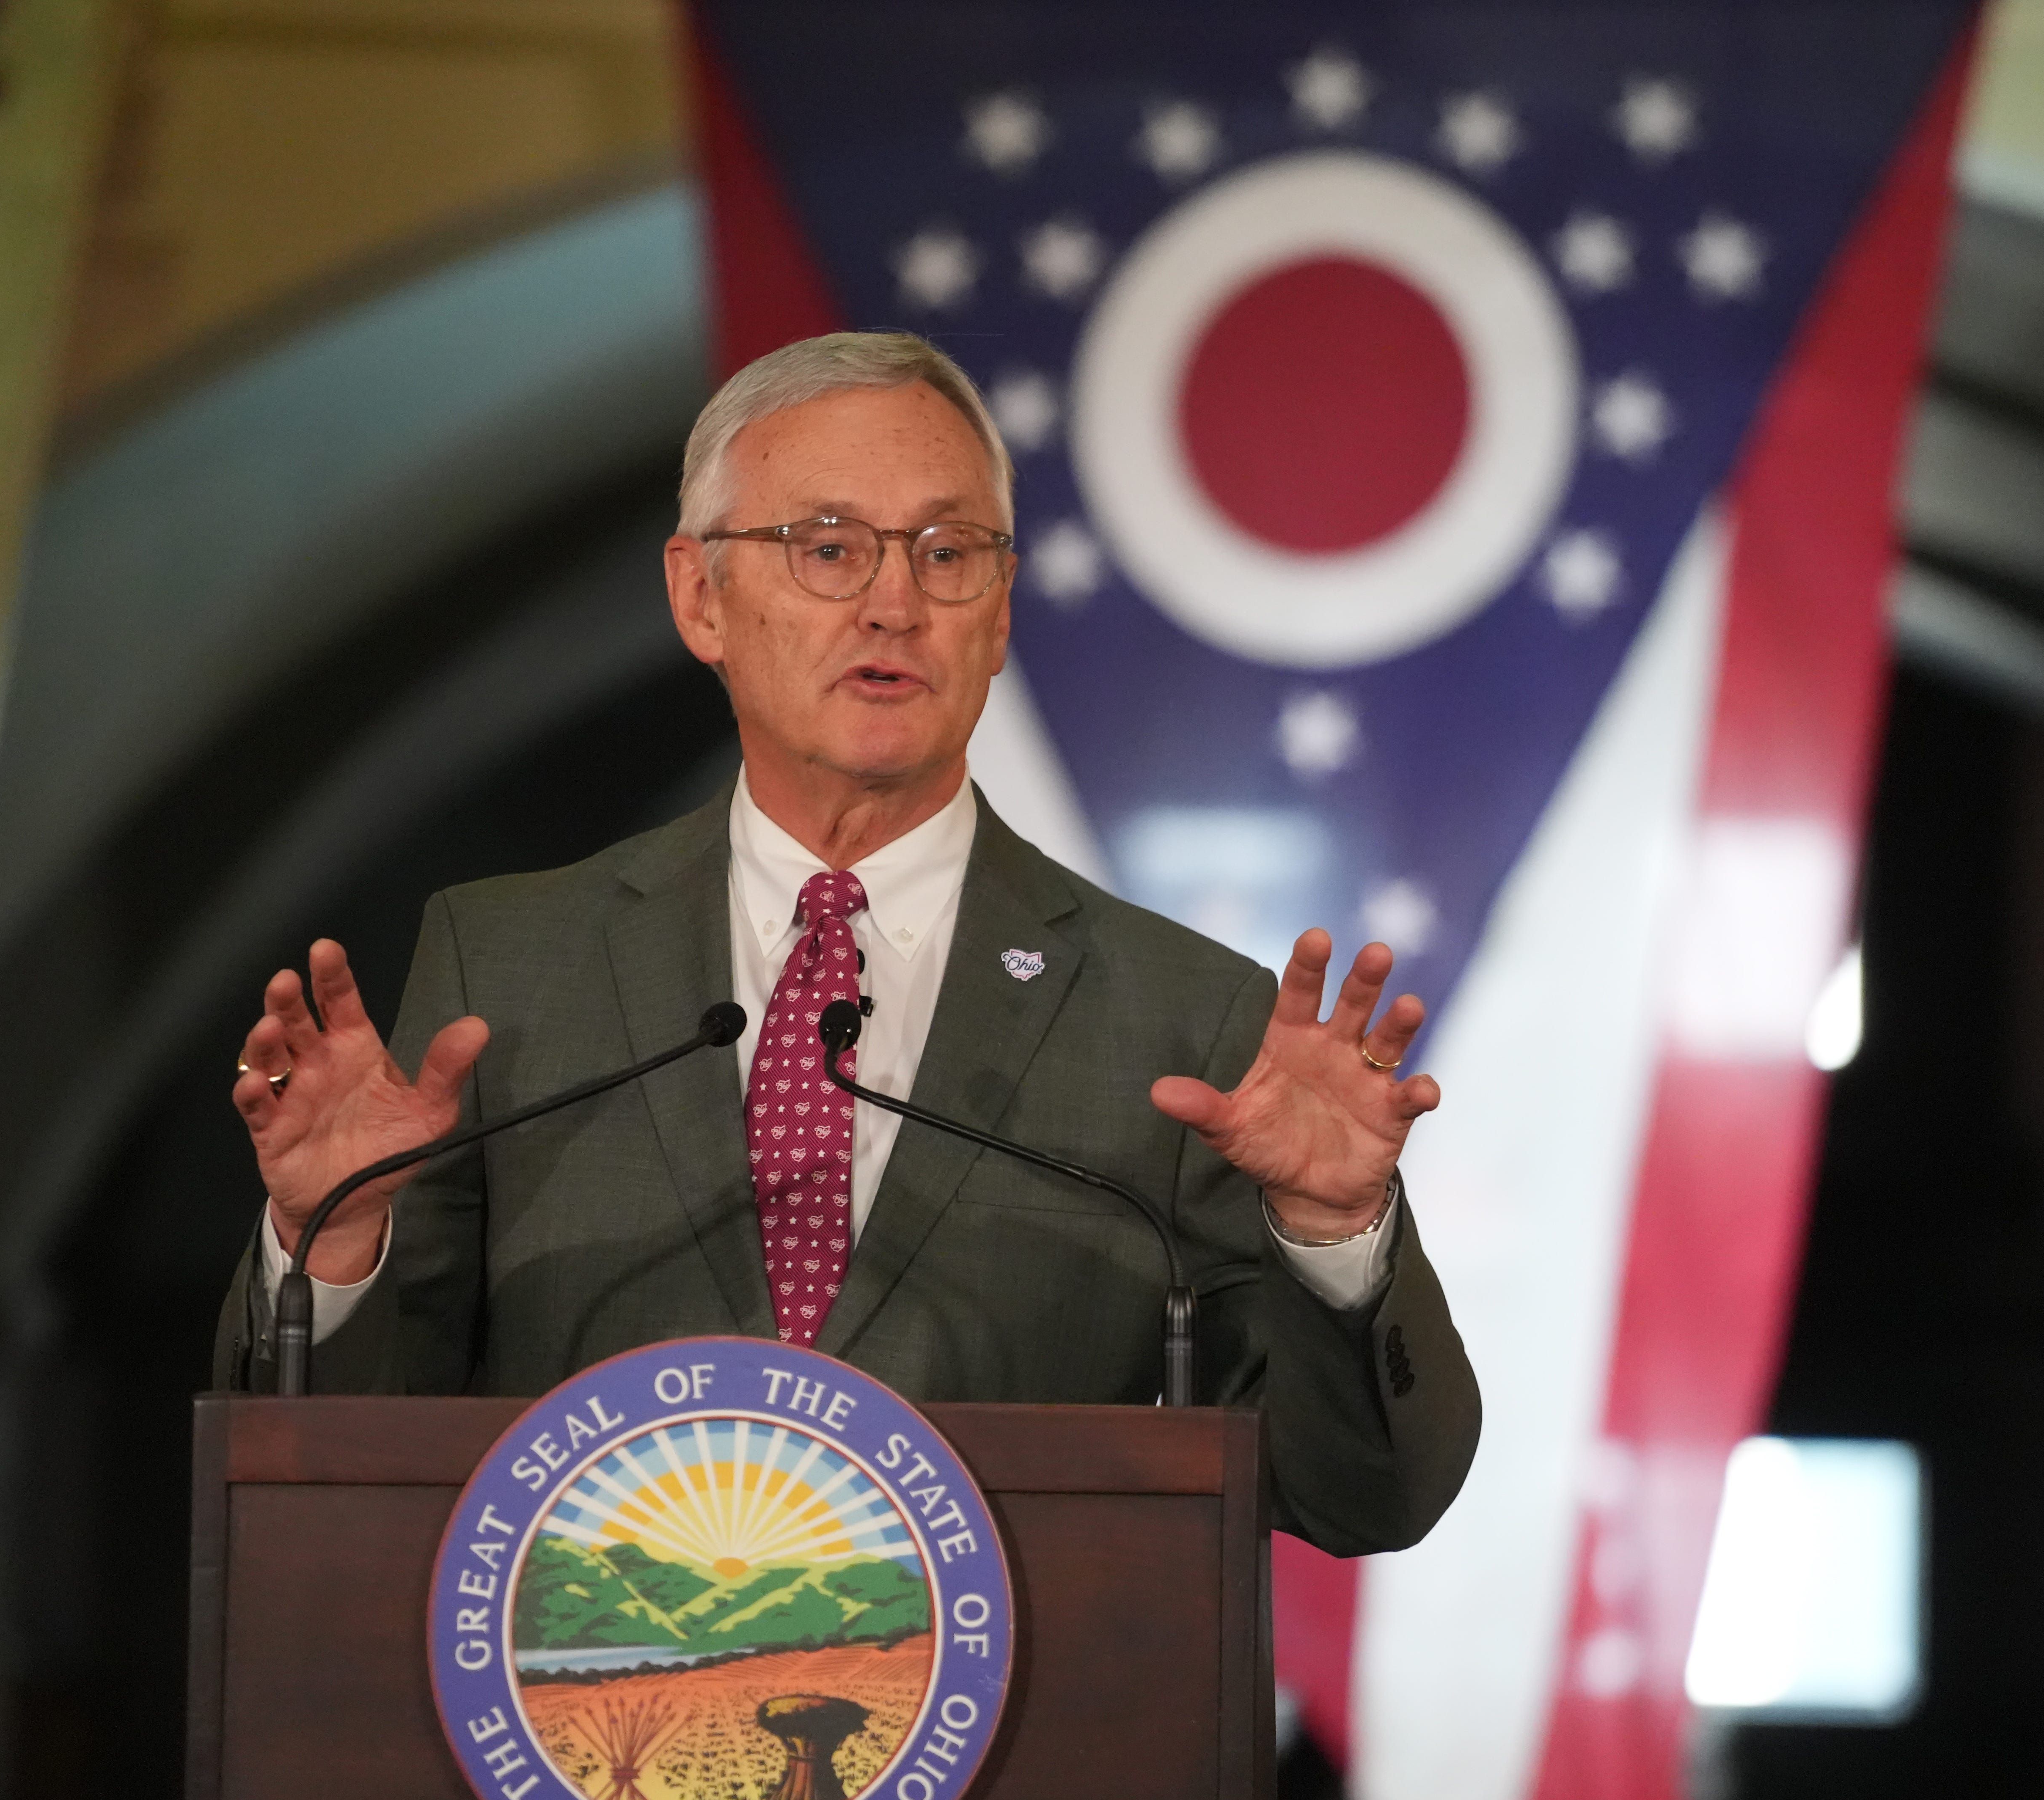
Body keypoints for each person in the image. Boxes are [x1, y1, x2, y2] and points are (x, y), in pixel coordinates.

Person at [218, 332, 1477, 1555]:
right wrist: (335, 1244)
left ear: (999, 613)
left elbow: (1364, 1500)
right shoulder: (510, 966)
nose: (894, 604)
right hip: (591, 1670)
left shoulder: (1177, 1019)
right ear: (700, 597)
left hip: (1009, 1692)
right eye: (828, 547)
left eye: (949, 553)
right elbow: (325, 1476)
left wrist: (1333, 1234)